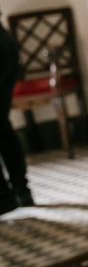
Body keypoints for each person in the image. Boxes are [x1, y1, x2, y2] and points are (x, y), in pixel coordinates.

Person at [0, 15, 34, 215]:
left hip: (3, 53)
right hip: (5, 50)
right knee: (3, 129)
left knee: (2, 129)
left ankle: (8, 196)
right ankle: (18, 192)